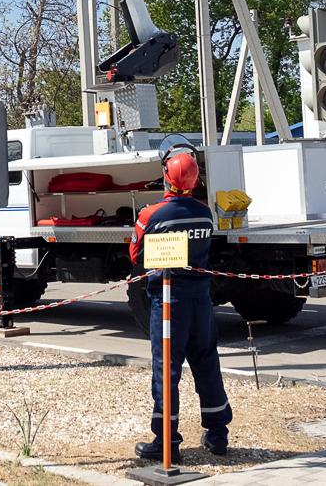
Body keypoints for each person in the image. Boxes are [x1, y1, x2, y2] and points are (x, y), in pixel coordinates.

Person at [127, 143, 232, 461]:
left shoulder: (151, 215)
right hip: (201, 300)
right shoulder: (205, 213)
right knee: (207, 363)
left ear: (165, 177)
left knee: (167, 370)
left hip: (169, 302)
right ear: (195, 180)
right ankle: (218, 434)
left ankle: (167, 441)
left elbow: (135, 254)